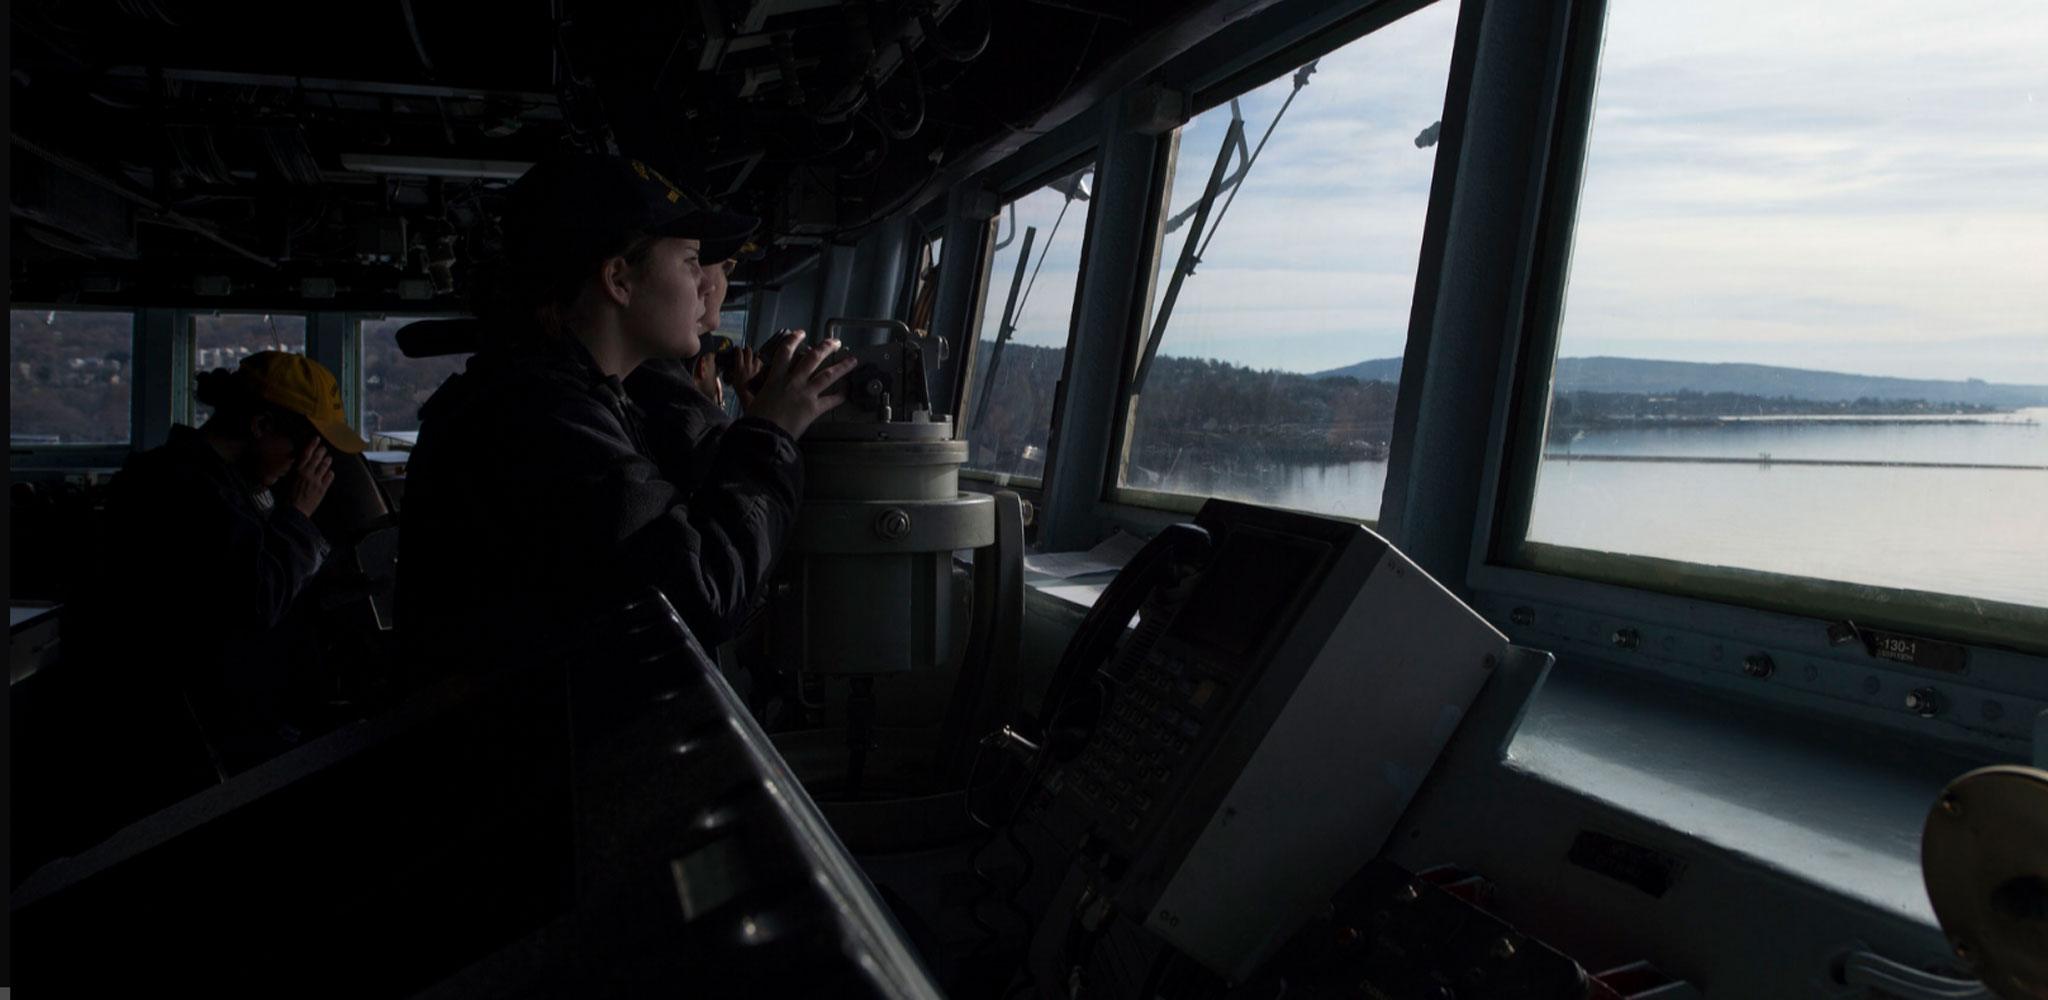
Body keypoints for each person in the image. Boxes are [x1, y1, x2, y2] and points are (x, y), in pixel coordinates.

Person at [396, 153, 855, 675]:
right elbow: (701, 596)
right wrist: (770, 433)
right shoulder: (541, 420)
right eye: (689, 261)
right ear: (619, 279)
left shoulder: (552, 395)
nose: (705, 286)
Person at [23, 352, 364, 866]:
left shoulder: (220, 485)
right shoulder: (183, 487)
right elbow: (256, 602)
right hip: (159, 749)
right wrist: (299, 516)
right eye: (303, 449)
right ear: (261, 424)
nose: (306, 465)